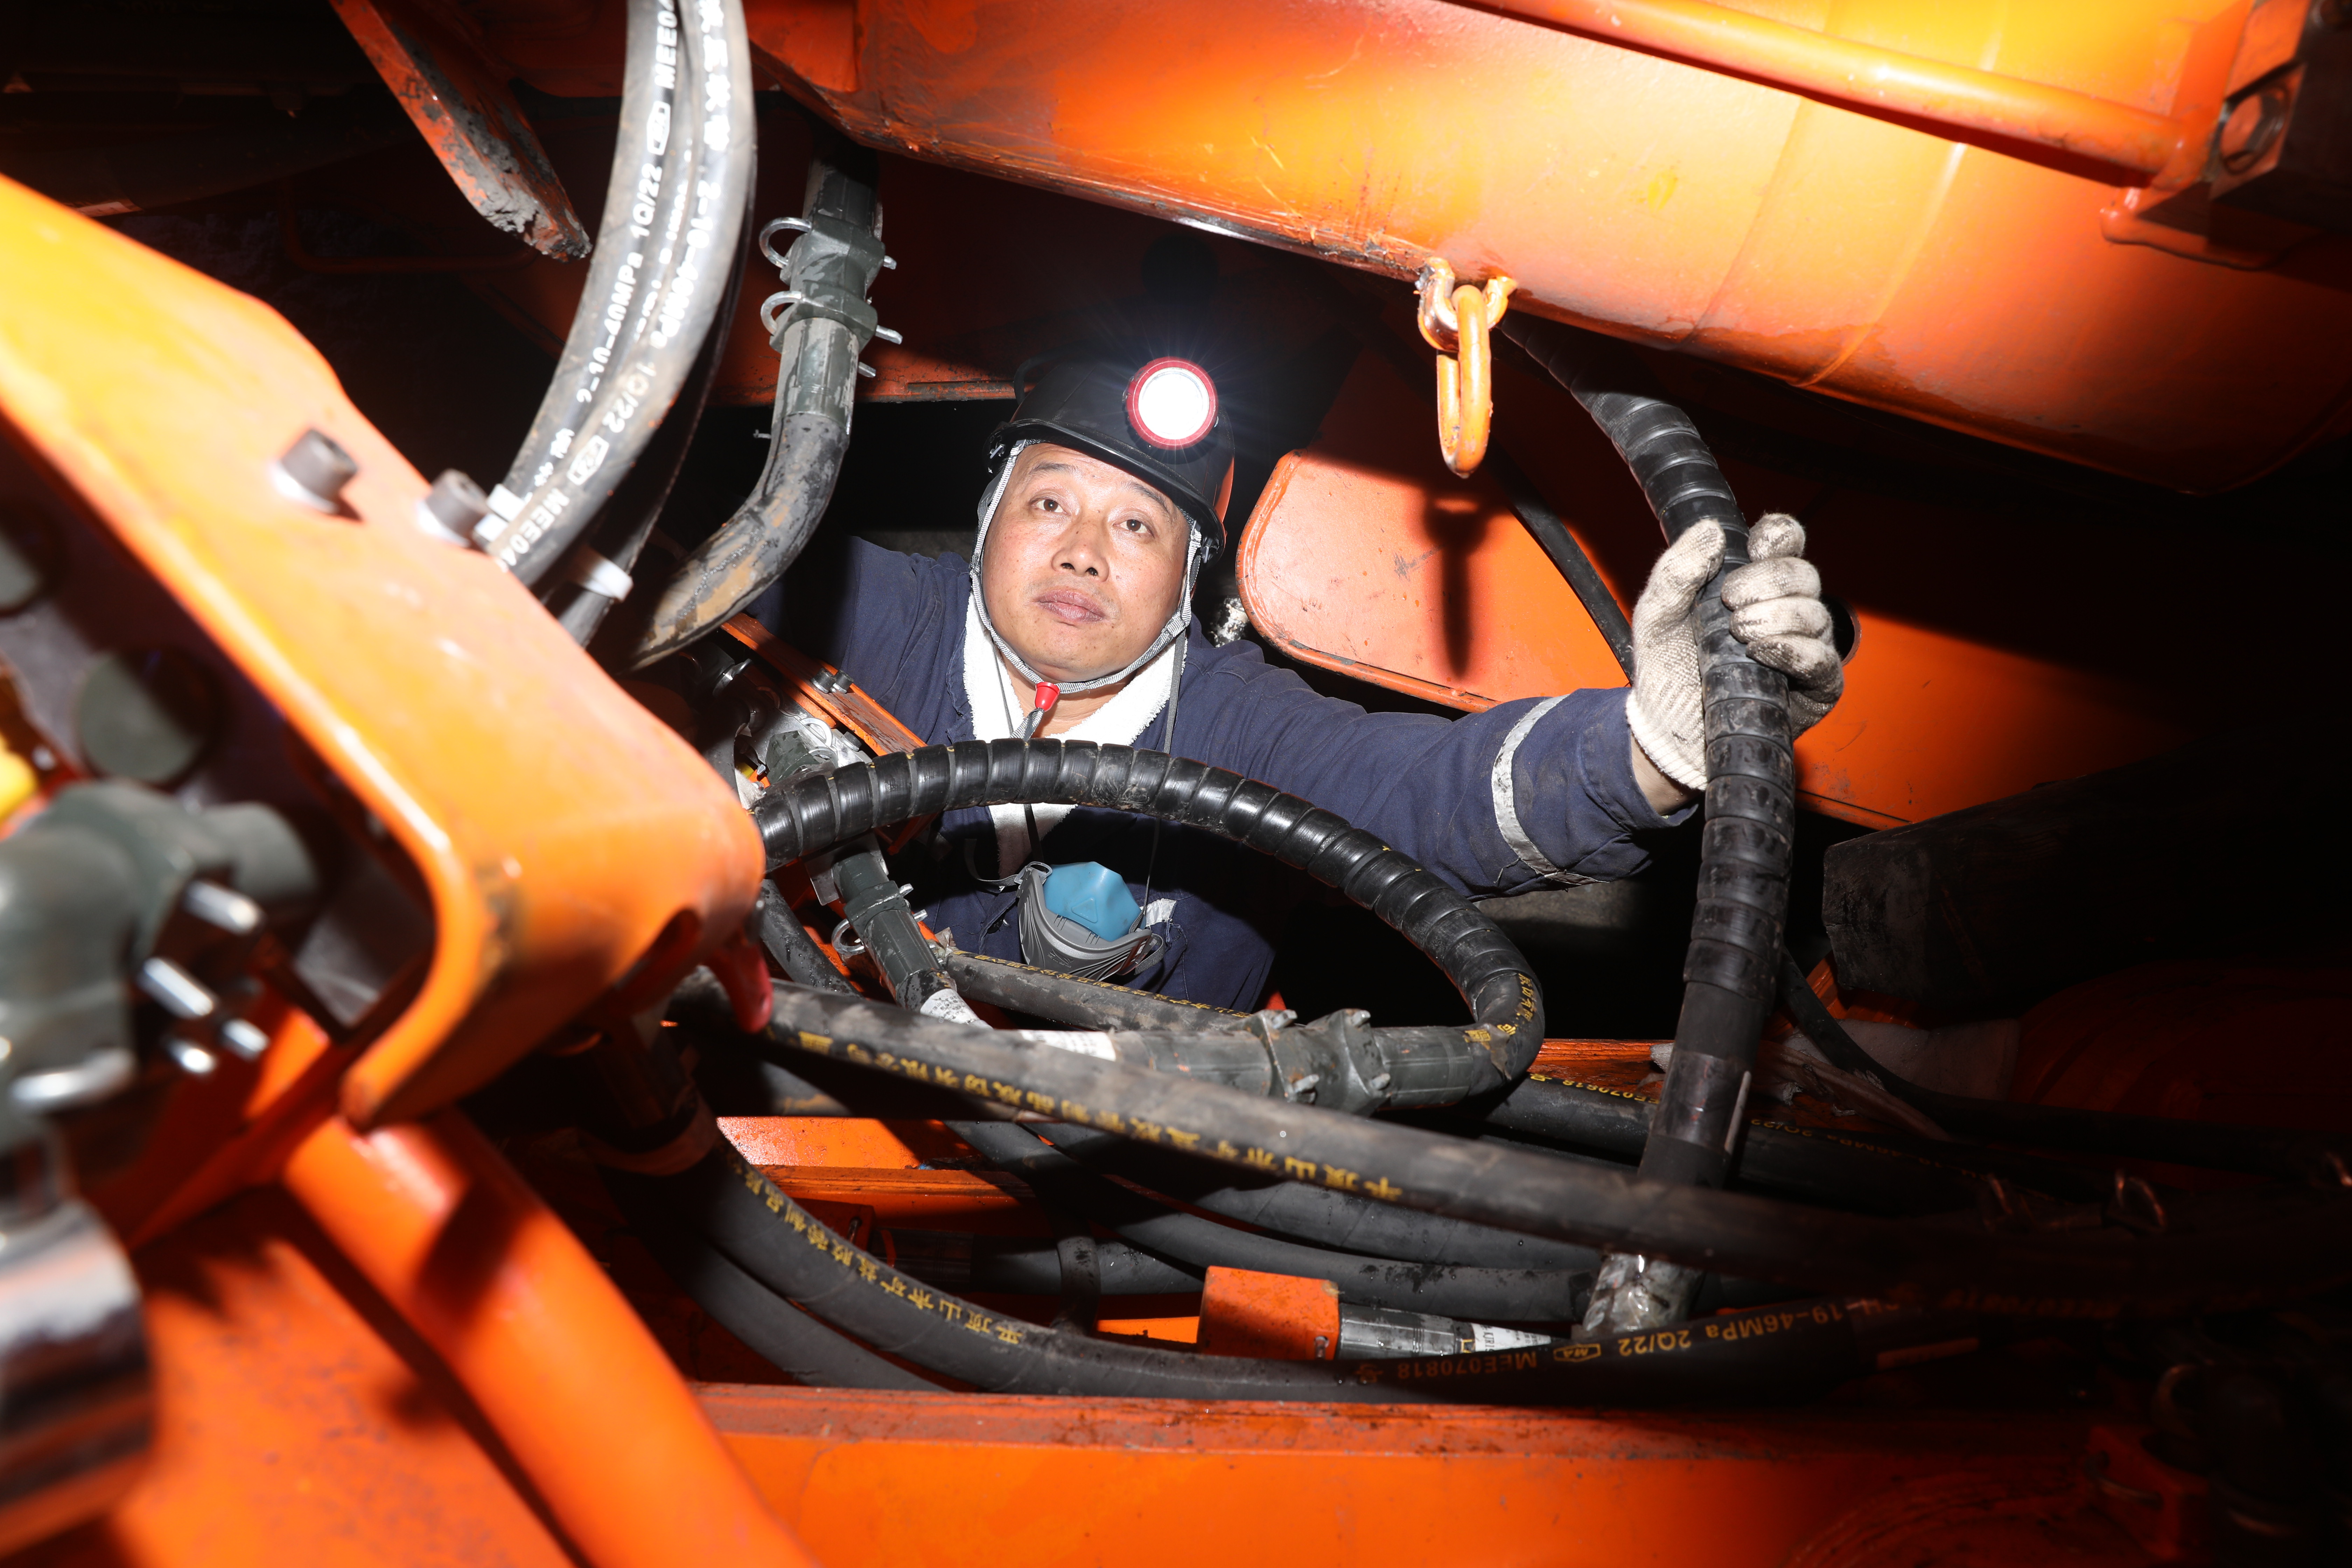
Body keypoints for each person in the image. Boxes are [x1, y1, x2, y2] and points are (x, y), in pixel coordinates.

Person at [764, 350, 1844, 1013]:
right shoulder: (863, 614)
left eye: (1137, 525)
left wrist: (1656, 744)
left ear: (1188, 578)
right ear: (991, 517)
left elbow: (1421, 794)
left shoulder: (1240, 723)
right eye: (1051, 504)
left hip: (1144, 1181)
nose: (1084, 552)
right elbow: (698, 579)